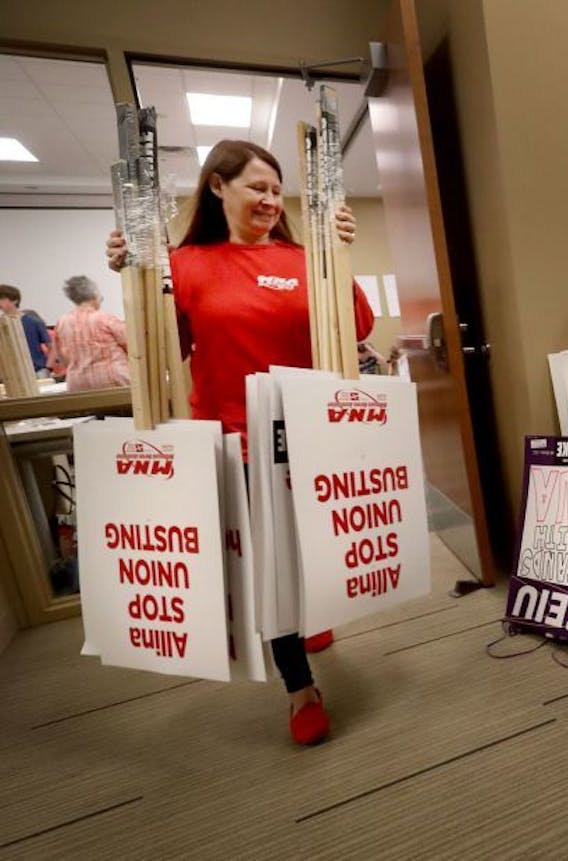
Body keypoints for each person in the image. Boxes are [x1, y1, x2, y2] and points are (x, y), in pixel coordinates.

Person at [106, 139, 374, 745]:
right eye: (258, 186)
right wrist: (135, 278)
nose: (271, 200)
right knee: (270, 565)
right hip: (236, 439)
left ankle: (313, 616)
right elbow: (158, 348)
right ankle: (300, 688)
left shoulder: (305, 257)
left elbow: (355, 327)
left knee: (312, 547)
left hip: (311, 432)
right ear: (218, 187)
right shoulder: (187, 263)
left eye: (278, 190)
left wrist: (339, 254)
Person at [49, 275, 130, 391]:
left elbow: (62, 357)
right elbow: (132, 347)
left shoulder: (62, 323)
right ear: (94, 296)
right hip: (114, 381)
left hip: (78, 385)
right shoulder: (106, 319)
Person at [0, 284, 53, 373]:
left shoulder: (33, 322)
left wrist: (48, 367)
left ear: (14, 300)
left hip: (37, 370)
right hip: (11, 372)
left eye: (2, 299)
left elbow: (51, 347)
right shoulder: (2, 323)